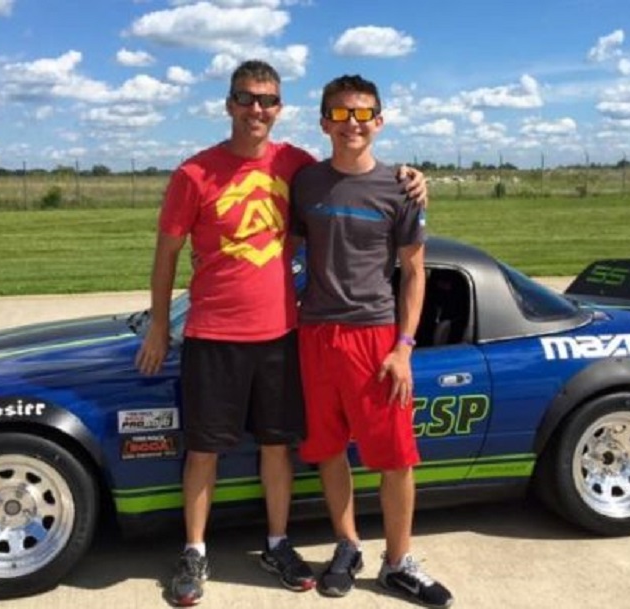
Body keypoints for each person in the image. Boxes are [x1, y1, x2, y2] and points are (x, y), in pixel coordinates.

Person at [134, 60, 427, 607]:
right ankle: (194, 551)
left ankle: (279, 544)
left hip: (284, 335)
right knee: (204, 449)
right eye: (246, 98)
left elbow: (357, 179)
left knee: (278, 448)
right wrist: (157, 325)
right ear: (229, 104)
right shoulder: (196, 174)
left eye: (267, 100)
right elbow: (167, 254)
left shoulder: (295, 164)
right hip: (215, 333)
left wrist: (411, 177)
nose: (257, 109)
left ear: (280, 108)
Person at [290, 74, 453, 608]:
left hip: (375, 337)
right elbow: (284, 252)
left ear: (378, 122)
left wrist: (403, 346)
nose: (351, 124)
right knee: (328, 449)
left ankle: (398, 562)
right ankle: (348, 545)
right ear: (324, 122)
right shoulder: (306, 183)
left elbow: (415, 273)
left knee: (396, 458)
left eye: (362, 114)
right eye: (340, 114)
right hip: (316, 334)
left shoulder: (400, 188)